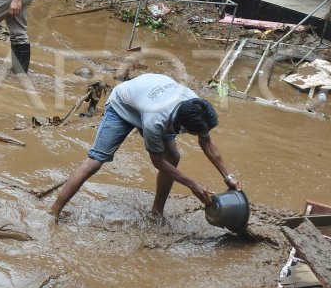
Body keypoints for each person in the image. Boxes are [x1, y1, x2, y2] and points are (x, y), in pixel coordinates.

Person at [48, 73, 241, 219]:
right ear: (181, 127)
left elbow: (206, 141)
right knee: (95, 161)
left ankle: (156, 213)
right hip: (122, 105)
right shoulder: (155, 121)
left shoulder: (194, 105)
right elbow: (157, 162)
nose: (200, 134)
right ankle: (54, 211)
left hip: (149, 98)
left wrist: (228, 176)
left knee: (173, 157)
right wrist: (193, 184)